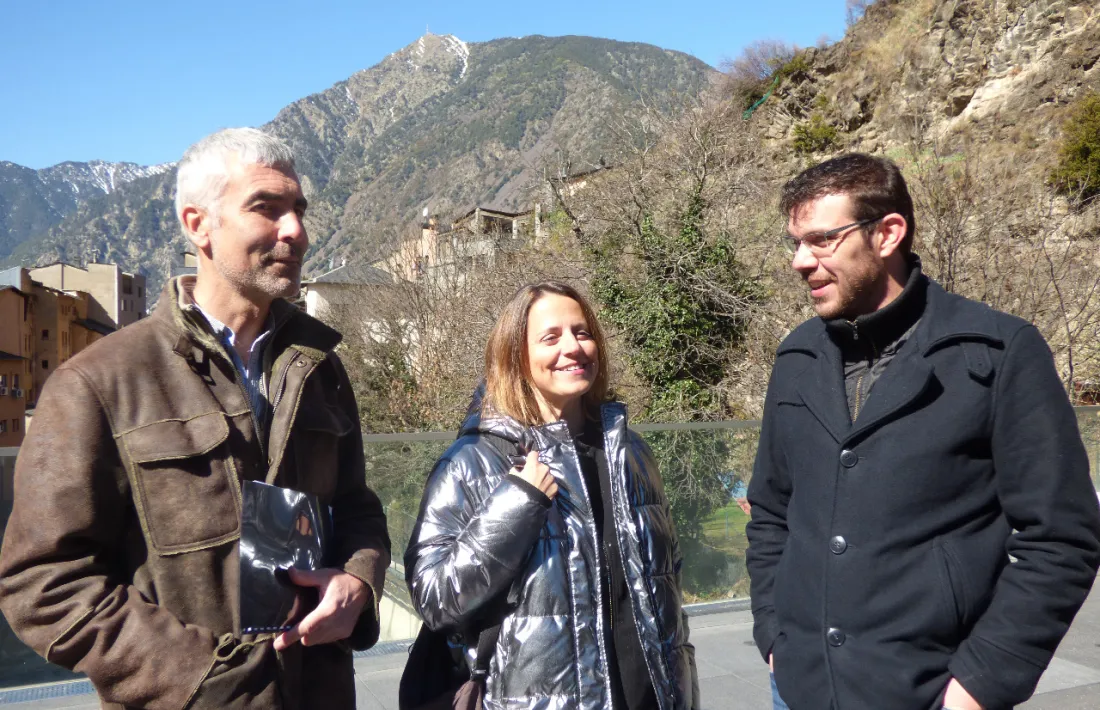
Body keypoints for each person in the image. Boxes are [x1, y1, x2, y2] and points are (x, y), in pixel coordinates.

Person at [0, 128, 390, 709]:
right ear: (198, 225)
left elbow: (356, 506)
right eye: (267, 208)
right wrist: (202, 676)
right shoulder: (98, 382)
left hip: (322, 692)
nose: (296, 231)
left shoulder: (319, 369)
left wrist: (359, 581)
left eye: (299, 210)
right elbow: (44, 582)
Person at [745, 153, 1100, 710]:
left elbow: (1060, 539)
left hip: (933, 692)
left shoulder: (997, 351)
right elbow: (770, 512)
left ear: (888, 233)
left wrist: (979, 686)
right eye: (794, 242)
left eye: (820, 240)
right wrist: (774, 634)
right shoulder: (796, 357)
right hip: (799, 685)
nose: (799, 261)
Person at [404, 282, 699, 710]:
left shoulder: (632, 454)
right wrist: (517, 504)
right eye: (551, 337)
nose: (573, 347)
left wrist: (684, 690)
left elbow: (667, 586)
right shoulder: (473, 463)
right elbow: (435, 598)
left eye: (582, 332)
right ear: (516, 356)